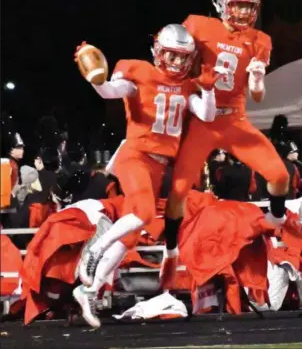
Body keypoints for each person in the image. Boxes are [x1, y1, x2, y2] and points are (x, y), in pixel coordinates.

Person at [73, 24, 227, 328]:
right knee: (143, 213)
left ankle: (89, 289)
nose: (177, 62)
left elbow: (207, 115)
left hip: (158, 165)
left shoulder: (186, 86)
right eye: (171, 54)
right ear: (158, 51)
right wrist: (95, 77)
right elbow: (110, 90)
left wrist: (208, 89)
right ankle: (97, 249)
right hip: (135, 154)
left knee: (131, 235)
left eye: (183, 57)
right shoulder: (139, 72)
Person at [161, 0, 289, 288]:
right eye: (238, 6)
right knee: (178, 192)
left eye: (248, 7)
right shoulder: (197, 25)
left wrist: (257, 80)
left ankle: (275, 221)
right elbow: (174, 61)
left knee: (280, 177)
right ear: (221, 4)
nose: (244, 14)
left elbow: (257, 95)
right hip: (202, 122)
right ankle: (171, 249)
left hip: (235, 120)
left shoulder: (260, 40)